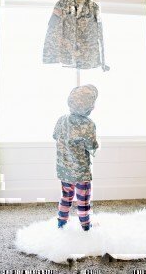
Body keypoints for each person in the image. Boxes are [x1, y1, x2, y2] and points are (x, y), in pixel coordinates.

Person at [53, 84, 99, 231]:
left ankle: (61, 223)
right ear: (89, 107)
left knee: (66, 197)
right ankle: (85, 225)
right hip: (81, 172)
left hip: (64, 169)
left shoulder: (61, 119)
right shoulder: (89, 124)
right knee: (83, 199)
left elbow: (55, 136)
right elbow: (91, 145)